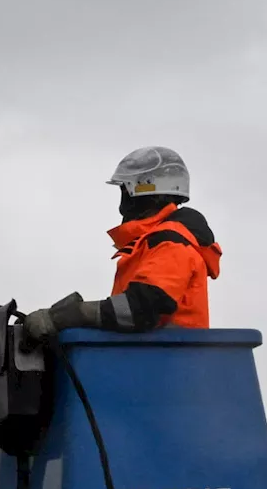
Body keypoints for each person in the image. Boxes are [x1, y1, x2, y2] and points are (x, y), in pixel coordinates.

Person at [20, 146, 223, 348]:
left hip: (167, 368)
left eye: (126, 191)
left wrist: (73, 315)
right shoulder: (152, 243)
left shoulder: (172, 244)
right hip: (152, 362)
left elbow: (140, 309)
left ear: (150, 191)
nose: (122, 203)